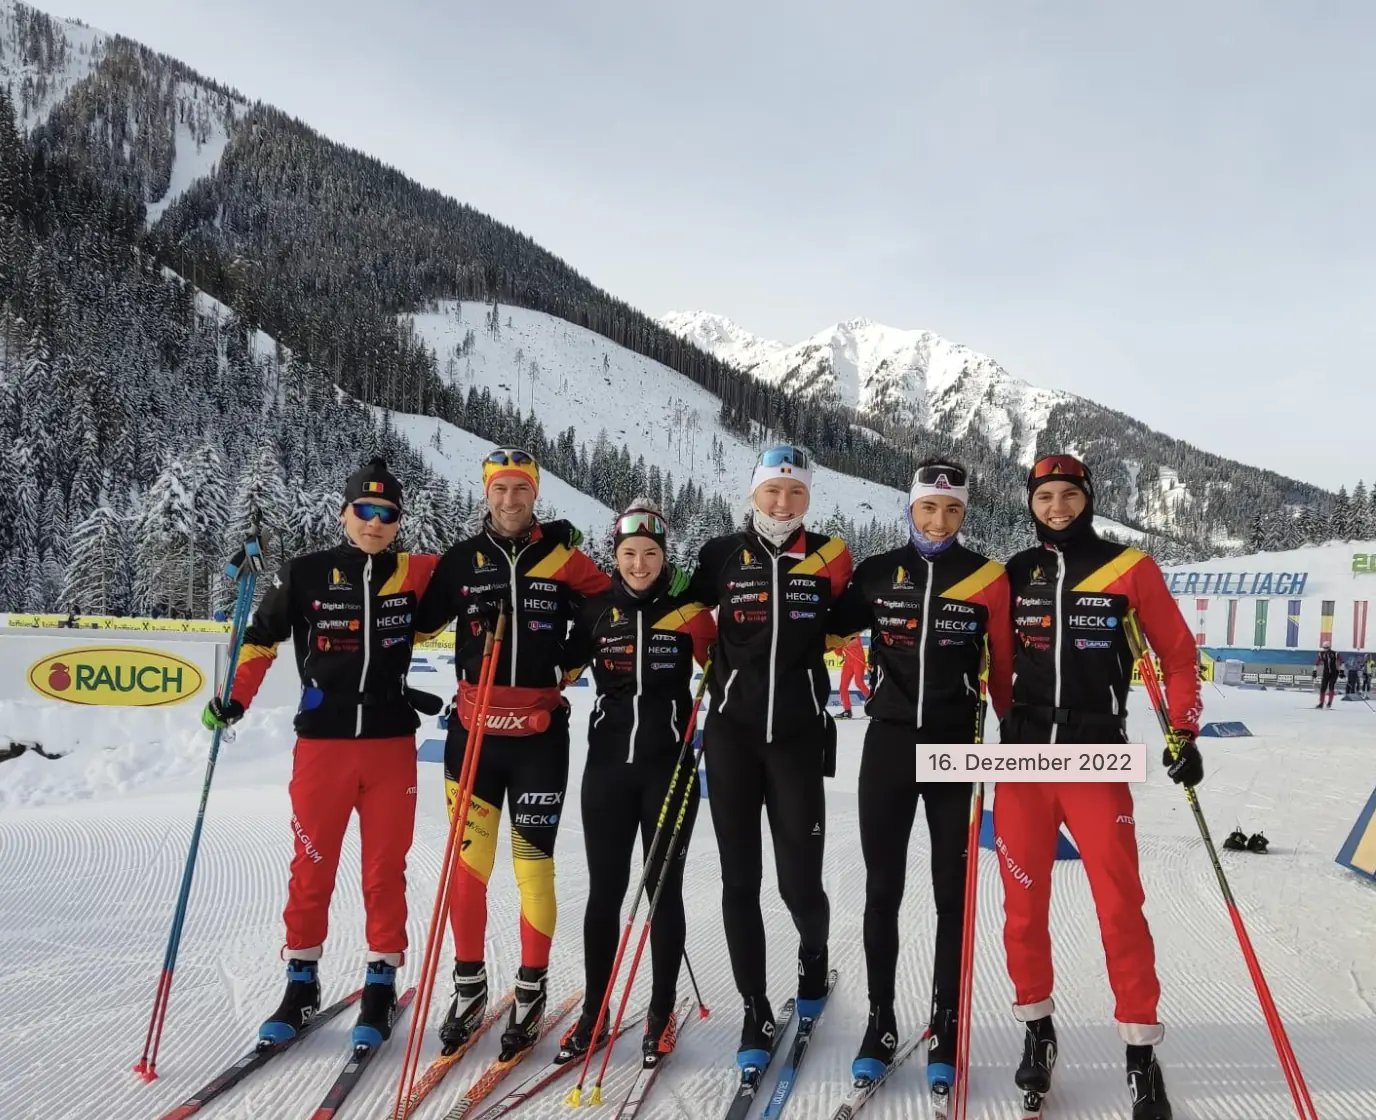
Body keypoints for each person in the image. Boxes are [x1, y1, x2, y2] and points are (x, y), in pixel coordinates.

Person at [202, 458, 441, 1050]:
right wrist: (235, 698)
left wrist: (544, 537)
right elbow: (260, 637)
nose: (375, 522)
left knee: (384, 871)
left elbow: (483, 564)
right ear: (344, 513)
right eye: (364, 509)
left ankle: (380, 981)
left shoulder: (414, 572)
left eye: (387, 513)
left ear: (398, 522)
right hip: (323, 745)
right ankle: (301, 982)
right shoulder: (306, 573)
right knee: (311, 868)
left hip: (390, 746)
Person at [997, 453, 1203, 1120]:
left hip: (1096, 756)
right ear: (1031, 503)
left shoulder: (1129, 567)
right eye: (1044, 497)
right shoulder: (1015, 572)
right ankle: (1037, 1028)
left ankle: (1141, 1051)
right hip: (1024, 762)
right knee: (1023, 908)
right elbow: (993, 660)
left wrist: (1185, 730)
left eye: (1068, 495)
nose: (1056, 507)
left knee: (1119, 906)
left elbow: (1178, 654)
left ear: (1087, 498)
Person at [412, 447, 611, 1059]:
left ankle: (531, 988)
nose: (509, 499)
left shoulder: (563, 557)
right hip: (474, 733)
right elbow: (417, 622)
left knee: (533, 868)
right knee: (468, 869)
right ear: (486, 493)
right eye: (500, 488)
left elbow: (611, 606)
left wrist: (569, 662)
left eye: (520, 488)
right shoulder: (462, 560)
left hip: (538, 737)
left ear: (535, 494)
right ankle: (469, 987)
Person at [826, 459, 1013, 1091]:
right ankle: (880, 1020)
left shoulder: (988, 577)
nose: (939, 521)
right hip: (889, 743)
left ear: (964, 514)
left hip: (957, 746)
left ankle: (946, 1021)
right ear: (910, 508)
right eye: (929, 508)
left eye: (952, 510)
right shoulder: (878, 573)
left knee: (951, 893)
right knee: (883, 890)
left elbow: (1006, 668)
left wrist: (1017, 739)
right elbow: (820, 626)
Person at [687, 445, 854, 1069]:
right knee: (740, 880)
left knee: (799, 882)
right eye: (772, 491)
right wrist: (713, 657)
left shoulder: (832, 556)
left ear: (808, 497)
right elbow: (681, 608)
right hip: (731, 736)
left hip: (798, 737)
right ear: (754, 492)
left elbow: (853, 615)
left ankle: (814, 956)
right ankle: (754, 1007)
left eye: (795, 492)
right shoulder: (720, 555)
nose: (783, 503)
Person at [558, 500, 717, 1059]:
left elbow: (728, 669)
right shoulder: (596, 612)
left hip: (668, 771)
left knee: (662, 893)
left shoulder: (689, 612)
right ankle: (594, 1012)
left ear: (664, 556)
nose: (640, 564)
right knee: (604, 892)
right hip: (606, 772)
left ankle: (660, 1011)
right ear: (616, 555)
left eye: (651, 553)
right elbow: (556, 668)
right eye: (629, 553)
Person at [835, 634, 870, 718]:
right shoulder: (838, 634)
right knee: (843, 687)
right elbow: (838, 652)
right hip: (848, 662)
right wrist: (837, 645)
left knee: (859, 683)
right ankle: (847, 711)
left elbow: (854, 642)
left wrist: (841, 642)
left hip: (858, 660)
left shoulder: (854, 632)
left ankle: (875, 704)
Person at [1316, 643, 1340, 708]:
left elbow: (1341, 662)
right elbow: (1317, 663)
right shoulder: (1321, 654)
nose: (1325, 649)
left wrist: (1342, 671)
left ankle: (1329, 702)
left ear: (1329, 647)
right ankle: (1321, 703)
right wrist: (1315, 671)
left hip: (1334, 673)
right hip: (1326, 673)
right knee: (1323, 687)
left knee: (1331, 686)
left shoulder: (1335, 653)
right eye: (1324, 648)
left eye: (1326, 648)